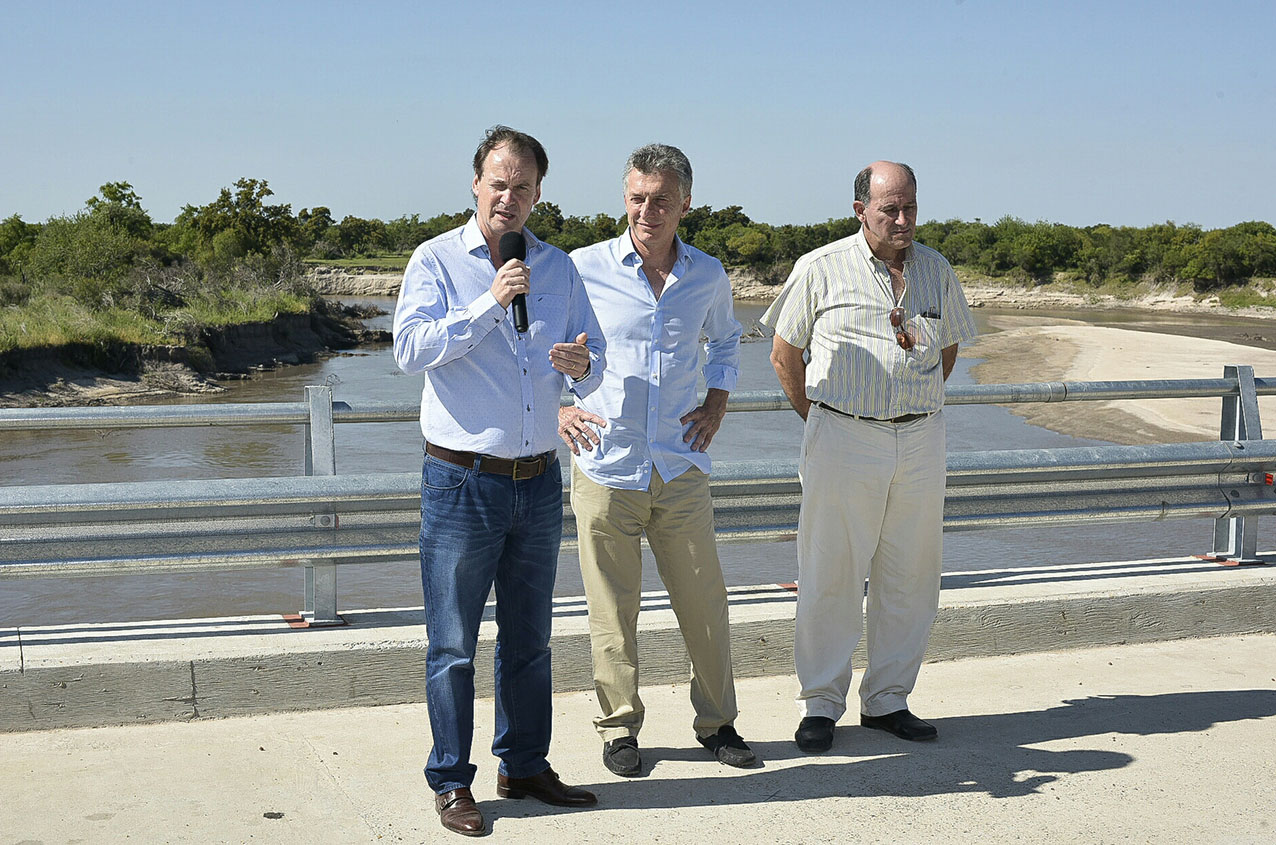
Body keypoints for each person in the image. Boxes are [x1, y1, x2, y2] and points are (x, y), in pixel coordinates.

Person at [393, 125, 606, 837]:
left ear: (539, 193)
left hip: (538, 480)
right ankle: (453, 780)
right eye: (497, 183)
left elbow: (591, 353)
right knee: (453, 642)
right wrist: (489, 301)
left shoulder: (559, 267)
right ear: (475, 186)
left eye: (522, 187)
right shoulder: (434, 261)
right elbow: (410, 349)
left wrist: (582, 366)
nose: (508, 198)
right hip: (461, 483)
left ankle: (524, 764)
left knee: (531, 639)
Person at [760, 160, 976, 754]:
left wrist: (912, 401)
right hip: (842, 436)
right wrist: (826, 419)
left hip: (922, 437)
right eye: (890, 209)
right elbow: (784, 353)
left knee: (910, 573)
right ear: (861, 211)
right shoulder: (820, 268)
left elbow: (950, 346)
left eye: (910, 207)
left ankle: (888, 701)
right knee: (830, 573)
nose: (903, 220)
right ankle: (821, 705)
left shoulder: (936, 270)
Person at [558, 143, 753, 777]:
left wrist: (718, 400)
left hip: (680, 466)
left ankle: (718, 724)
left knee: (705, 605)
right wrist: (560, 406)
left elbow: (727, 339)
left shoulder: (708, 275)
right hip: (604, 464)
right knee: (611, 612)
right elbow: (542, 348)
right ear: (625, 200)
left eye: (662, 200)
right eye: (638, 198)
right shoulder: (581, 269)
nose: (649, 210)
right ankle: (619, 729)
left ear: (685, 204)